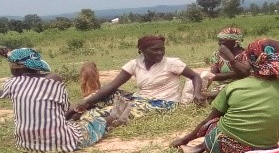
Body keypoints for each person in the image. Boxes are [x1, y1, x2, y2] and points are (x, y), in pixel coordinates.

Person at [1, 48, 130, 153]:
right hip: (61, 143)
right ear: (37, 66)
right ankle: (113, 117)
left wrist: (10, 56)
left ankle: (111, 118)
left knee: (74, 120)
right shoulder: (53, 79)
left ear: (14, 68)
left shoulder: (9, 84)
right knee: (90, 123)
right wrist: (76, 111)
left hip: (25, 144)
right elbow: (64, 113)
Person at [69, 35, 203, 120]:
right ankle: (68, 114)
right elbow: (112, 86)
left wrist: (197, 93)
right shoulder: (135, 64)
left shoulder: (172, 63)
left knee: (101, 113)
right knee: (100, 96)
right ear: (141, 51)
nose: (160, 52)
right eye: (155, 50)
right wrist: (86, 101)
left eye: (162, 49)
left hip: (162, 103)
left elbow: (195, 76)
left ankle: (86, 116)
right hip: (140, 98)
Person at [198, 27, 250, 100]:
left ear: (234, 42)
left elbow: (244, 73)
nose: (219, 43)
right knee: (222, 92)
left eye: (222, 40)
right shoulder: (217, 55)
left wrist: (228, 54)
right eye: (219, 40)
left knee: (233, 92)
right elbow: (213, 76)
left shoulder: (246, 54)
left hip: (242, 85)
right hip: (222, 86)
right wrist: (236, 74)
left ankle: (209, 96)